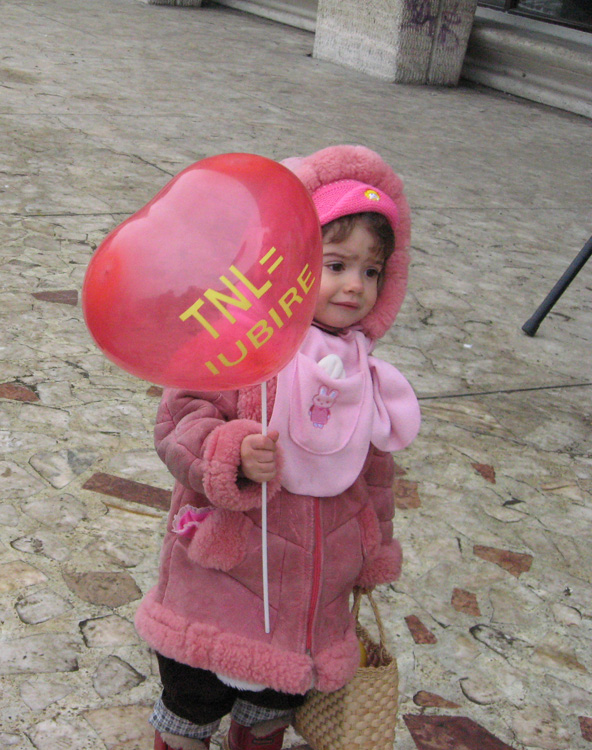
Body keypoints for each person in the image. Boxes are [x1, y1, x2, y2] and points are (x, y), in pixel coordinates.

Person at [134, 144, 420, 750]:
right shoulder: (237, 342)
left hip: (315, 588)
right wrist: (229, 452)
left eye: (371, 272)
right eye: (336, 265)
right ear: (289, 261)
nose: (355, 286)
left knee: (276, 698)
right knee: (193, 692)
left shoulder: (361, 372)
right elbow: (180, 420)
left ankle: (258, 733)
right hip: (226, 574)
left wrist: (373, 544)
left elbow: (374, 472)